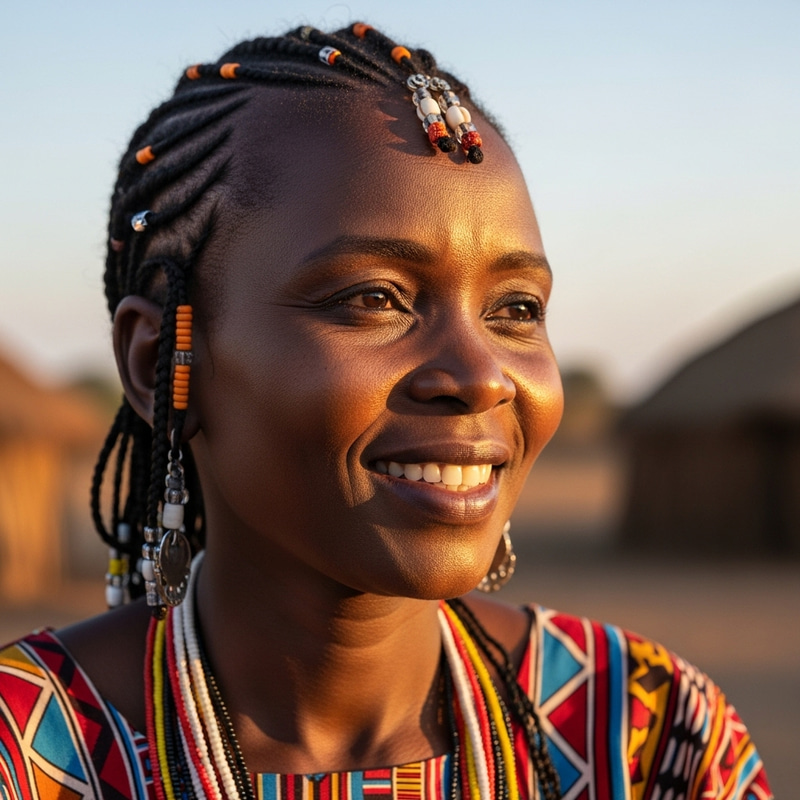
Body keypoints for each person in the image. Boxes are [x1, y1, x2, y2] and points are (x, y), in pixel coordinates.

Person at [0, 23, 771, 800]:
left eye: (516, 309)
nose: (479, 376)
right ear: (163, 363)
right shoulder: (27, 757)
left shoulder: (645, 736)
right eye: (375, 299)